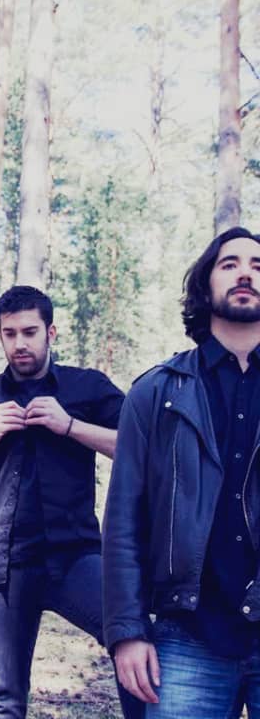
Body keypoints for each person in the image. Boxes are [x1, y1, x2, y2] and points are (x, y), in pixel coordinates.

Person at [0, 285, 142, 719]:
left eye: (30, 332)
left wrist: (71, 425)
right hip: (2, 568)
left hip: (77, 559)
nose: (20, 343)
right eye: (10, 333)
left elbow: (145, 448)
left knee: (138, 645)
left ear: (50, 332)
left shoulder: (87, 387)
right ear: (0, 336)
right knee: (1, 702)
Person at [103, 226, 260, 717]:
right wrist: (127, 632)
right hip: (188, 635)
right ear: (205, 285)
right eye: (229, 264)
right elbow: (123, 521)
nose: (245, 274)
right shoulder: (154, 392)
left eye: (258, 266)